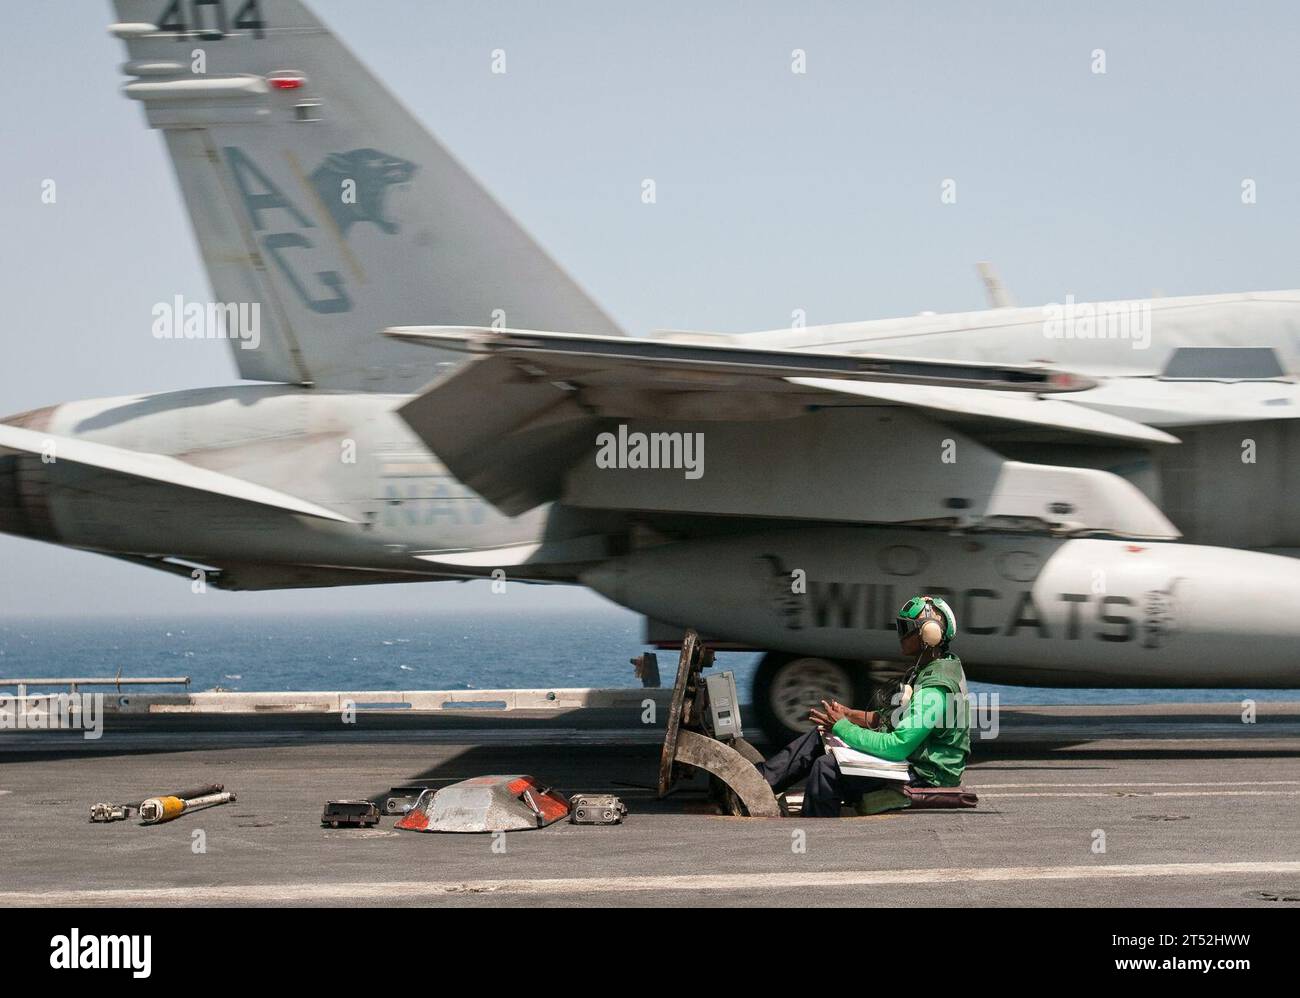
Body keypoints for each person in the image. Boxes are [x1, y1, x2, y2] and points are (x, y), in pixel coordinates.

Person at [755, 595, 971, 817]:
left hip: (926, 774)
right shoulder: (930, 668)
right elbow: (890, 719)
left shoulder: (935, 689)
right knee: (820, 735)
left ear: (929, 634)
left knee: (827, 769)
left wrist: (843, 728)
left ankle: (818, 836)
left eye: (906, 628)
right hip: (914, 761)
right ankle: (756, 783)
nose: (900, 634)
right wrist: (848, 715)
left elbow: (897, 745)